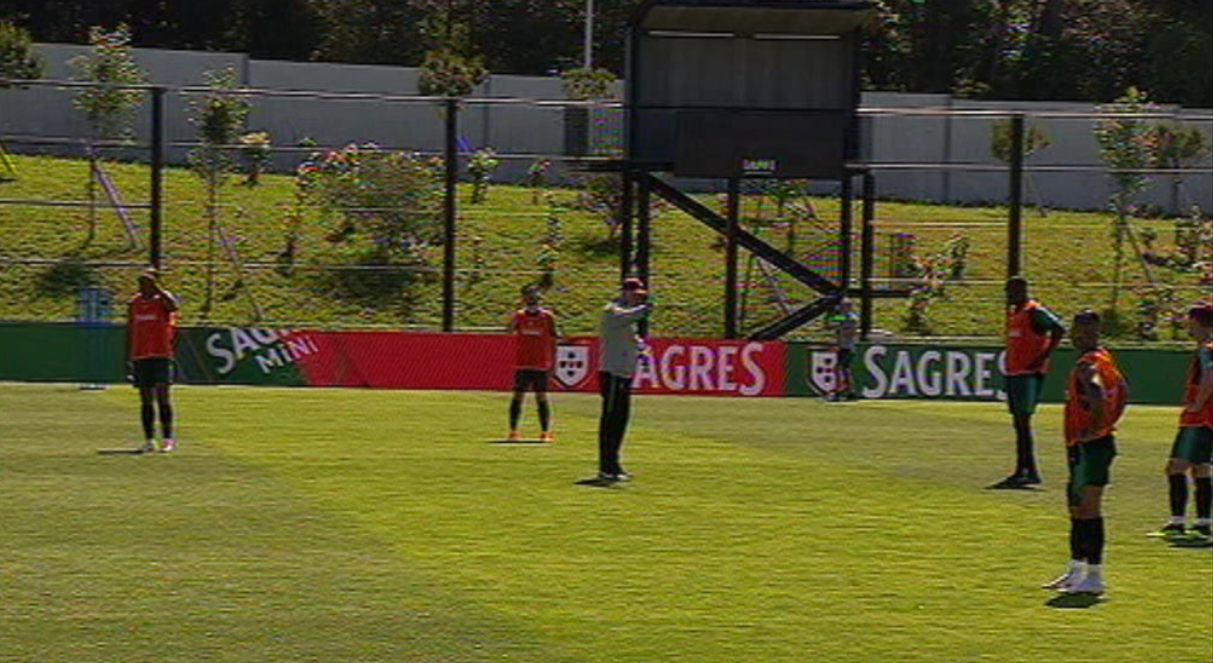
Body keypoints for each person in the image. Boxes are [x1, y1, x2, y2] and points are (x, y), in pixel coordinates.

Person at [1042, 311, 1128, 595]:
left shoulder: (1087, 365)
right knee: (1077, 508)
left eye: (1084, 332)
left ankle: (1095, 576)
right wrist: (1109, 421)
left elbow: (1097, 393)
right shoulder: (1105, 358)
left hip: (1091, 446)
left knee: (1089, 508)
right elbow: (1123, 391)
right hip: (1086, 445)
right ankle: (1075, 571)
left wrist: (1096, 428)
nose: (1080, 337)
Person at [993, 276, 1065, 488]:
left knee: (1023, 422)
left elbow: (1059, 328)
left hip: (1028, 374)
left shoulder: (1034, 311)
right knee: (1019, 423)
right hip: (1015, 372)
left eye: (1012, 291)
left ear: (1023, 290)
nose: (1009, 296)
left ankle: (1026, 471)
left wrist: (1042, 356)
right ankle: (1027, 470)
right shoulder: (1016, 313)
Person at [1154, 303, 1213, 539]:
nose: (1187, 325)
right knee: (1201, 468)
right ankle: (1202, 523)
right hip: (1207, 419)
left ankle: (1177, 522)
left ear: (1197, 322)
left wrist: (1198, 402)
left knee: (1176, 467)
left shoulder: (1207, 349)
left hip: (1199, 419)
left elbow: (1210, 374)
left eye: (1190, 321)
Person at [596, 277, 653, 482]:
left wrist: (641, 350)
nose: (638, 298)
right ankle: (606, 466)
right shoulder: (612, 310)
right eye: (635, 294)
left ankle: (614, 464)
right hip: (612, 372)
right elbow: (623, 318)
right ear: (625, 292)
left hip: (624, 373)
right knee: (610, 420)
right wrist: (644, 309)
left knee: (621, 420)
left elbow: (632, 336)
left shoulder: (628, 313)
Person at [126, 270, 179, 453]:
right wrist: (128, 356)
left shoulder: (162, 299)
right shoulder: (134, 303)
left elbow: (173, 307)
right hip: (141, 355)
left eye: (147, 283)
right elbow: (130, 329)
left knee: (163, 396)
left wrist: (158, 289)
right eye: (141, 283)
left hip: (161, 353)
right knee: (146, 398)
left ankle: (167, 439)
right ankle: (149, 439)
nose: (143, 287)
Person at [506, 286, 558, 442]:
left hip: (541, 363)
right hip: (523, 363)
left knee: (541, 397)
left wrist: (553, 363)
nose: (531, 298)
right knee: (518, 396)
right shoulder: (519, 316)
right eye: (527, 296)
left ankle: (545, 432)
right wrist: (513, 317)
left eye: (533, 296)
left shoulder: (547, 316)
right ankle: (513, 431)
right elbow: (508, 330)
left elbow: (554, 337)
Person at [826, 298, 860, 401]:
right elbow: (829, 324)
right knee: (845, 369)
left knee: (839, 368)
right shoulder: (841, 317)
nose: (841, 308)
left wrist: (839, 328)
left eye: (843, 306)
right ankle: (851, 391)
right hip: (842, 346)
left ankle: (838, 391)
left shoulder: (852, 318)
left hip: (848, 346)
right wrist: (830, 314)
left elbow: (851, 332)